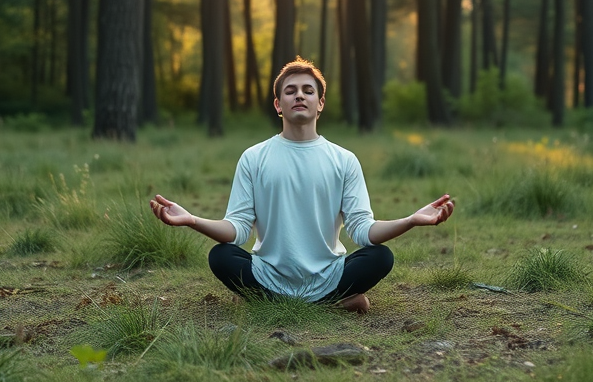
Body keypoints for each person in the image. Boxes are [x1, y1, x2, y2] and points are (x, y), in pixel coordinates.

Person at [150, 56, 454, 313]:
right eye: (291, 91)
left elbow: (364, 232)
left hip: (329, 274)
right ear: (278, 104)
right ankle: (330, 303)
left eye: (308, 91)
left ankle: (268, 302)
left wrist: (411, 220)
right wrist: (191, 220)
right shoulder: (254, 157)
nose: (299, 95)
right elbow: (237, 230)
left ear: (320, 104)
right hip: (267, 272)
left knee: (380, 256)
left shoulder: (344, 160)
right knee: (220, 256)